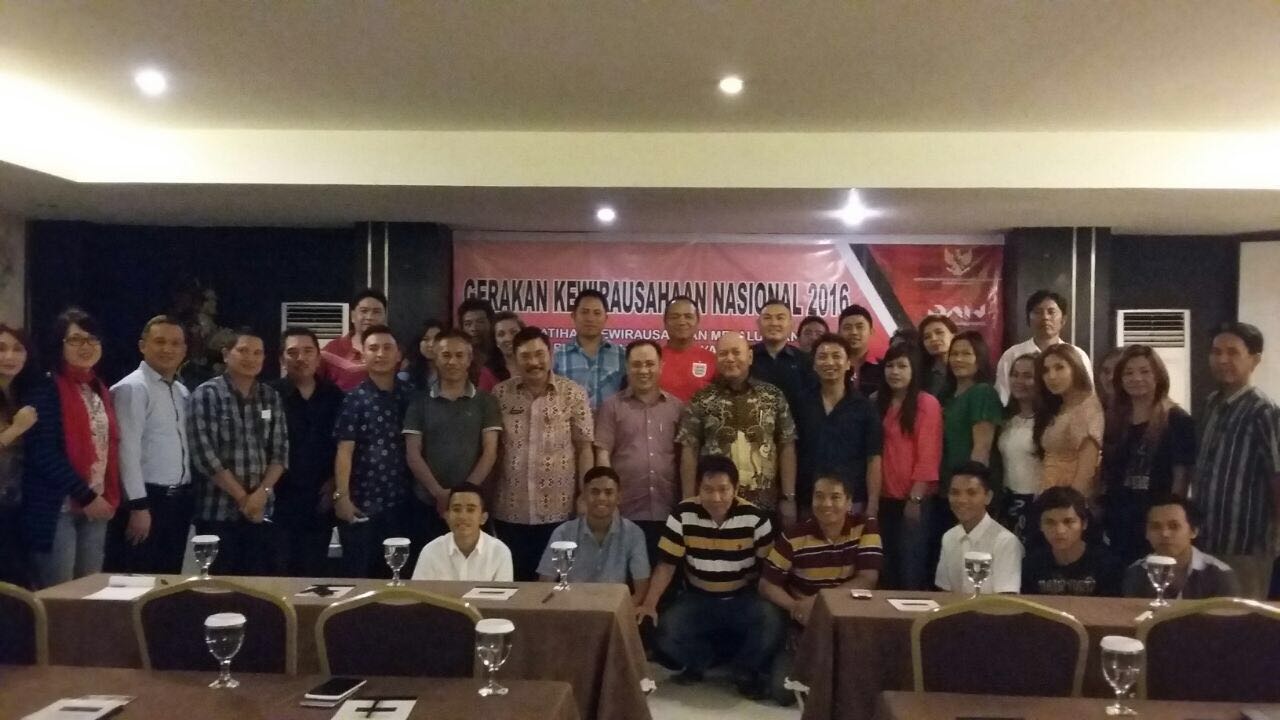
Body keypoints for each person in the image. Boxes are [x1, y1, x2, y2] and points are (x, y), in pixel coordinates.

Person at [635, 455, 784, 699]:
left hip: (742, 599)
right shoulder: (682, 514)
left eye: (723, 489)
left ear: (736, 488)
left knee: (772, 620)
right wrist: (649, 603)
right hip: (697, 599)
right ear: (698, 488)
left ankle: (744, 670)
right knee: (664, 630)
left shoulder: (755, 518)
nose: (716, 498)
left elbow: (768, 569)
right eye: (708, 489)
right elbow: (666, 565)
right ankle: (699, 661)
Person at [760, 473, 881, 705]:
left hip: (847, 622)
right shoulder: (794, 535)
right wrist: (795, 607)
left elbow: (868, 579)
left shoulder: (866, 526)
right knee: (782, 692)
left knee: (857, 689)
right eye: (819, 496)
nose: (826, 504)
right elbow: (766, 584)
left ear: (849, 502)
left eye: (835, 497)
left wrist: (820, 601)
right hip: (804, 625)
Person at [23, 309, 120, 588]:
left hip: (97, 500)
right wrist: (85, 495)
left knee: (90, 589)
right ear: (59, 345)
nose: (85, 346)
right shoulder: (46, 388)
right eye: (75, 339)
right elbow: (43, 453)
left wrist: (100, 496)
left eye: (92, 339)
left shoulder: (98, 388)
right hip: (58, 506)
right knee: (60, 592)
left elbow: (106, 445)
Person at [492, 326, 594, 580]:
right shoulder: (499, 394)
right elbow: (492, 449)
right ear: (515, 358)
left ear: (550, 354)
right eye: (526, 356)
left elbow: (584, 448)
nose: (534, 362)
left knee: (557, 585)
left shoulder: (573, 393)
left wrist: (584, 496)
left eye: (539, 354)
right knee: (515, 584)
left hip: (560, 511)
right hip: (510, 510)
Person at [188, 327, 288, 576]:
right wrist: (244, 499)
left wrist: (261, 494)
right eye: (243, 351)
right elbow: (204, 455)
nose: (250, 358)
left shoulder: (270, 397)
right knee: (220, 587)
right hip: (218, 513)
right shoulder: (207, 394)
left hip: (261, 511)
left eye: (257, 353)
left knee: (260, 587)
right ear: (226, 354)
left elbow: (280, 452)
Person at [1190, 322, 1280, 599]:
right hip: (1204, 540)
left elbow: (1277, 476)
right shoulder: (1210, 404)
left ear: (1255, 359)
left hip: (1245, 544)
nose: (1222, 360)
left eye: (1233, 352)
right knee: (1203, 616)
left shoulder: (1263, 411)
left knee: (1241, 618)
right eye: (1216, 352)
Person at [677, 331, 798, 524]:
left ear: (749, 357)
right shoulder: (701, 399)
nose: (730, 358)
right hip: (714, 505)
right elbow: (689, 449)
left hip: (763, 505)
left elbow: (787, 445)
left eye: (736, 352)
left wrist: (788, 497)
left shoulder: (772, 396)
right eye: (723, 353)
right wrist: (688, 500)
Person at [105, 315, 193, 575]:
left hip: (177, 502)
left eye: (175, 343)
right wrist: (138, 506)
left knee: (168, 582)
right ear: (143, 345)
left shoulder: (181, 391)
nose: (168, 349)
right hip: (146, 500)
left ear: (184, 350)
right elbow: (126, 451)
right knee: (137, 581)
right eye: (160, 341)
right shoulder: (132, 388)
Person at [403, 329, 501, 547]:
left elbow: (490, 452)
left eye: (459, 355)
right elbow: (413, 454)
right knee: (429, 561)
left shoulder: (486, 402)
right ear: (435, 357)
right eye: (446, 355)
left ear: (469, 358)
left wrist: (462, 495)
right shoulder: (419, 402)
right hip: (427, 503)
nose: (453, 361)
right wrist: (439, 494)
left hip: (472, 505)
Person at [1101, 345, 1197, 565]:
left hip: (1156, 524)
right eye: (1129, 373)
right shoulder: (1116, 419)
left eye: (1145, 371)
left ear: (1158, 376)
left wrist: (1169, 522)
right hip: (1119, 521)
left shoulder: (1177, 419)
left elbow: (1181, 478)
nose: (1137, 378)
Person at [332, 324, 414, 578]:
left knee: (399, 578)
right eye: (373, 348)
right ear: (363, 355)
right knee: (360, 577)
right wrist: (342, 497)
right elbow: (344, 451)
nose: (380, 354)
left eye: (387, 348)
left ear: (398, 354)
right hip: (362, 504)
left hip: (404, 504)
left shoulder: (412, 397)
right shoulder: (353, 399)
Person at [594, 340, 683, 561]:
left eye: (650, 364)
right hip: (625, 511)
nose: (643, 370)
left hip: (668, 510)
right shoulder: (611, 407)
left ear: (661, 366)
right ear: (627, 367)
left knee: (664, 573)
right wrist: (608, 501)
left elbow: (685, 460)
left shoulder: (677, 408)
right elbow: (603, 455)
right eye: (637, 364)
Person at [271, 327, 343, 577]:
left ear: (318, 357)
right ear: (282, 359)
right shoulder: (270, 396)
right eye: (292, 352)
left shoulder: (335, 396)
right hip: (279, 500)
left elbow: (343, 446)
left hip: (320, 500)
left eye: (308, 351)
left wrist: (334, 482)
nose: (300, 358)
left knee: (314, 573)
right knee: (279, 572)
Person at [875, 341, 942, 590]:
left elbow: (928, 454)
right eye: (890, 366)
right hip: (883, 499)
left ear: (914, 370)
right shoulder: (877, 402)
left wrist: (915, 498)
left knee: (910, 570)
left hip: (913, 501)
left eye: (902, 366)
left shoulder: (927, 403)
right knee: (886, 569)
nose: (895, 372)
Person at [793, 334, 883, 516]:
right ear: (814, 364)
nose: (829, 362)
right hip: (809, 499)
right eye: (822, 357)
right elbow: (791, 450)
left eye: (836, 356)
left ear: (848, 363)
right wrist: (789, 497)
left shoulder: (864, 407)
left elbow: (873, 458)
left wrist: (873, 503)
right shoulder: (800, 403)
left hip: (852, 501)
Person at [536, 467, 650, 597]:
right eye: (594, 492)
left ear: (619, 497)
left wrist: (627, 609)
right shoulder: (563, 533)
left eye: (608, 492)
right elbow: (545, 584)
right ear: (584, 495)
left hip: (615, 605)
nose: (601, 498)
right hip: (572, 604)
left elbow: (641, 590)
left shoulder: (633, 533)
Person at [1122, 495, 1240, 599]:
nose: (1164, 534)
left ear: (1193, 531)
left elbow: (1229, 617)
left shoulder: (1219, 574)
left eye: (1174, 526)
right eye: (1155, 527)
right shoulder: (1137, 572)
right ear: (1146, 533)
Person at [935, 461, 1023, 594]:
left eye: (971, 493)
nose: (962, 500)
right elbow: (945, 592)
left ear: (988, 497)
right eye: (955, 493)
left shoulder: (1005, 542)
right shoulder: (949, 537)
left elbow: (1007, 598)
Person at [994, 290, 1093, 404]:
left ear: (1063, 320)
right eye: (1038, 312)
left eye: (1051, 312)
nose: (1045, 317)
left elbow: (1087, 395)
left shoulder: (1077, 355)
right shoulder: (1012, 354)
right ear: (1028, 319)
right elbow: (1003, 396)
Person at [1021, 487, 1122, 596]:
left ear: (1084, 524)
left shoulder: (1107, 565)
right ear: (1040, 525)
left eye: (1068, 521)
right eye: (1050, 522)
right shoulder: (1031, 566)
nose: (1059, 531)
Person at [1034, 344, 1104, 498]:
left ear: (1076, 368)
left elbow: (1086, 474)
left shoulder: (1088, 408)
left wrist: (1071, 506)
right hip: (1048, 491)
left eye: (1059, 368)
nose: (1052, 376)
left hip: (1070, 499)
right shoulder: (1059, 406)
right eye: (1046, 370)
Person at [0, 325, 39, 587]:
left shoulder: (21, 393)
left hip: (16, 506)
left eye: (17, 349)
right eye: (1, 349)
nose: (9, 356)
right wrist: (15, 429)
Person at [410, 483, 513, 582]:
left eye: (470, 510)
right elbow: (418, 592)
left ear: (483, 518)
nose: (462, 516)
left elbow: (505, 594)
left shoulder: (500, 552)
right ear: (447, 516)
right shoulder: (431, 551)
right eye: (456, 509)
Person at [940, 330, 1002, 484]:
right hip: (948, 482)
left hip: (970, 485)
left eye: (966, 354)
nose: (958, 359)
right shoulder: (946, 396)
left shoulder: (983, 392)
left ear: (979, 358)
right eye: (954, 354)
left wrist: (970, 485)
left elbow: (982, 449)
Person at [998, 353, 1043, 542]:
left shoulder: (1049, 421)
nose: (1019, 381)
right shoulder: (1007, 419)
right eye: (1015, 375)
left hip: (1036, 501)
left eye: (1027, 376)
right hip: (1007, 498)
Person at [752, 299, 817, 415]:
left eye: (780, 318)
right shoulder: (746, 358)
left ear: (791, 324)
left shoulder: (805, 361)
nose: (774, 323)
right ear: (758, 323)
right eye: (767, 318)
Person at [321, 288, 388, 392]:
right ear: (352, 316)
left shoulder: (394, 351)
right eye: (364, 311)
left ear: (384, 317)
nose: (369, 317)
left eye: (376, 312)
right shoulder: (332, 350)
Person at [658, 296, 717, 402]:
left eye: (688, 316)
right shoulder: (654, 359)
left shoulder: (712, 360)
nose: (682, 322)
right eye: (675, 317)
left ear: (697, 322)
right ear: (665, 322)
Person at [838, 305, 884, 397]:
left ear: (871, 331)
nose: (854, 332)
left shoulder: (883, 368)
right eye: (848, 327)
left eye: (859, 327)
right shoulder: (833, 366)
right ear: (839, 332)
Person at [458, 297, 505, 386]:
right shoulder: (457, 360)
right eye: (468, 324)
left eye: (480, 322)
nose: (474, 328)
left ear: (491, 323)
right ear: (462, 328)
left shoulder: (504, 355)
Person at [398, 319, 444, 390]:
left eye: (437, 339)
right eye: (426, 339)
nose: (431, 344)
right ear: (418, 343)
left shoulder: (453, 374)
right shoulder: (406, 376)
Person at [918, 314, 956, 398]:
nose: (933, 339)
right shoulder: (920, 373)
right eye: (927, 337)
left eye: (939, 332)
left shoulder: (970, 367)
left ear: (953, 335)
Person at [492, 311, 524, 382]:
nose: (508, 339)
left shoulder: (537, 364)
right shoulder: (489, 373)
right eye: (501, 334)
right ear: (495, 341)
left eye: (513, 332)